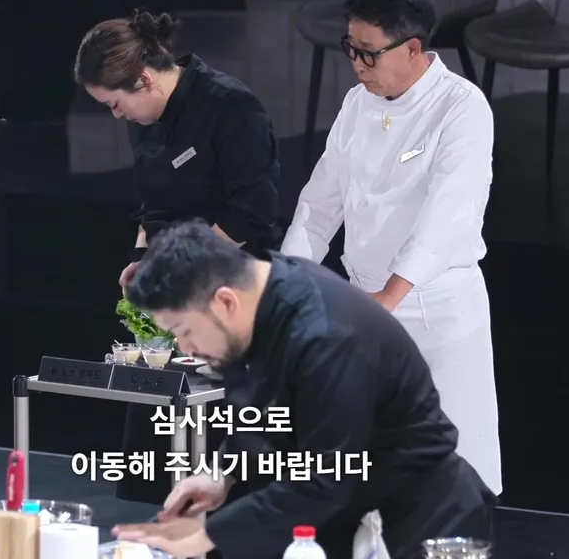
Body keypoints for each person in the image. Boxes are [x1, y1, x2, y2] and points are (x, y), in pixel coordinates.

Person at [111, 221, 495, 559]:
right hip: (353, 510)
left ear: (224, 301)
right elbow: (264, 412)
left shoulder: (327, 335)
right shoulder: (264, 297)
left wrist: (206, 535)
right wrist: (222, 473)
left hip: (423, 516)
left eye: (184, 331)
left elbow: (325, 478)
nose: (187, 348)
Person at [280, 0, 502, 495]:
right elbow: (319, 205)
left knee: (449, 473)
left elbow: (448, 216)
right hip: (366, 307)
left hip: (434, 310)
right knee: (367, 472)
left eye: (369, 53)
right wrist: (291, 282)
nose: (357, 65)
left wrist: (390, 296)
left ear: (412, 48)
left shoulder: (461, 107)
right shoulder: (357, 103)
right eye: (350, 49)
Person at [74, 8, 281, 503]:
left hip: (229, 290)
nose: (116, 115)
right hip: (172, 293)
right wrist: (144, 260)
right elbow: (154, 207)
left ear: (145, 80)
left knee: (218, 460)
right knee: (156, 454)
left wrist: (187, 268)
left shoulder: (230, 106)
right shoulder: (144, 119)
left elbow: (253, 211)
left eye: (115, 103)